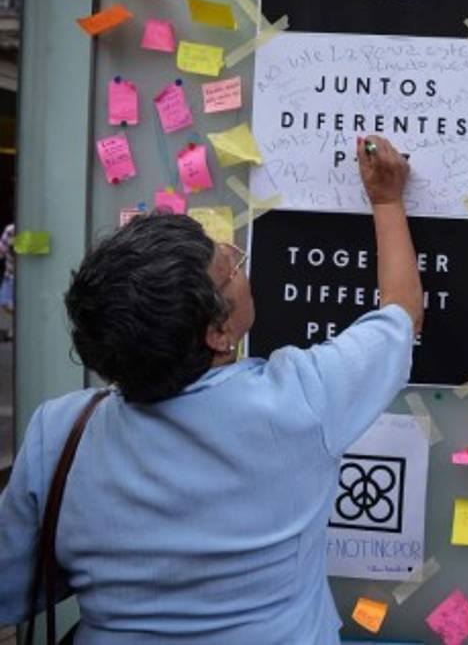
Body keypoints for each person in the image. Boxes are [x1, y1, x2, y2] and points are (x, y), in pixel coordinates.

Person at [0, 135, 424, 643]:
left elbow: (13, 586)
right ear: (218, 333)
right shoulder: (300, 401)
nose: (234, 260)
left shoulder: (61, 432)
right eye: (229, 268)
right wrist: (386, 201)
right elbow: (401, 315)